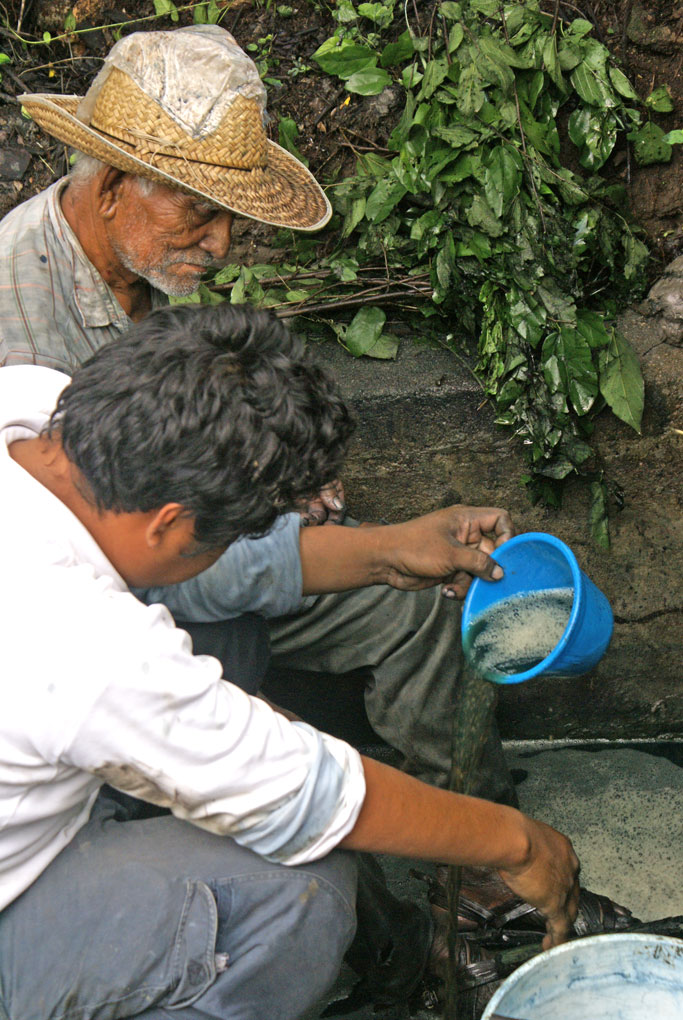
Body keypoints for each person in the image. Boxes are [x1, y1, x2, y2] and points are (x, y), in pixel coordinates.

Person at [0, 25, 634, 935]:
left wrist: (293, 496)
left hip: (183, 555)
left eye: (231, 218)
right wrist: (377, 548)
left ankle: (482, 894)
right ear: (108, 187)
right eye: (198, 215)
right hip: (128, 614)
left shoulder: (137, 274)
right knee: (298, 878)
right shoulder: (20, 336)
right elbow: (176, 566)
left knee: (420, 605)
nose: (221, 246)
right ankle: (382, 916)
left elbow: (188, 499)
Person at [0, 302, 581, 1020]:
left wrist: (382, 548)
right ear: (168, 522)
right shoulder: (78, 640)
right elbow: (307, 798)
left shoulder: (30, 409)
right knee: (295, 894)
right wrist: (517, 843)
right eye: (228, 534)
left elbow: (206, 577)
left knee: (227, 638)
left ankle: (394, 947)